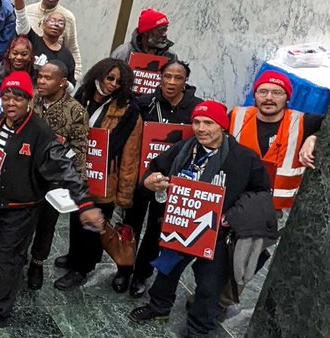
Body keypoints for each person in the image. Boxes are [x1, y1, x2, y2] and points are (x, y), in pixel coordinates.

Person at [129, 101, 271, 338]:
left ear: (222, 126)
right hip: (181, 226)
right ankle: (158, 307)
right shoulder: (184, 148)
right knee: (167, 270)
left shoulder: (244, 158)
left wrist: (233, 215)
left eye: (208, 123)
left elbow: (261, 192)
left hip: (216, 233)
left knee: (209, 285)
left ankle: (197, 332)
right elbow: (155, 167)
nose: (201, 128)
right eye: (196, 122)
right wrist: (150, 180)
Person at [0, 72, 105, 331]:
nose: (11, 103)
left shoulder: (39, 131)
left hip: (20, 210)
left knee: (8, 258)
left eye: (18, 97)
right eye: (6, 97)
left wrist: (84, 203)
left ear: (29, 100)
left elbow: (64, 166)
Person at [56, 58, 142, 292]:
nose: (113, 84)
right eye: (110, 78)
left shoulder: (129, 110)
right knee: (76, 217)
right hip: (79, 170)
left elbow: (130, 155)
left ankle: (83, 268)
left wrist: (124, 195)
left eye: (119, 81)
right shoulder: (83, 95)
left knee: (93, 225)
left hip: (106, 179)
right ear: (99, 74)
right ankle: (74, 256)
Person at [121, 59, 202, 297]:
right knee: (130, 224)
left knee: (156, 229)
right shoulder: (145, 103)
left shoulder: (196, 107)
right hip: (141, 174)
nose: (171, 82)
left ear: (185, 81)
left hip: (171, 180)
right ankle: (124, 268)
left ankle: (142, 274)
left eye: (178, 78)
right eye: (167, 76)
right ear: (160, 77)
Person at [25, 61, 88, 291]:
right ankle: (19, 257)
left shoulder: (76, 111)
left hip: (54, 179)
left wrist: (63, 152)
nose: (41, 81)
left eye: (47, 78)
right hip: (26, 172)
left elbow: (80, 149)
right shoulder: (31, 100)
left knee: (46, 224)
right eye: (39, 76)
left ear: (62, 82)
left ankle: (37, 263)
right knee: (23, 219)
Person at [229, 70, 323, 212]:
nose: (269, 98)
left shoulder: (303, 122)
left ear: (287, 98)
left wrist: (314, 137)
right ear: (254, 95)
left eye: (277, 93)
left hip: (280, 211)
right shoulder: (236, 116)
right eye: (263, 91)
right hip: (236, 205)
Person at [20, 0, 82, 77]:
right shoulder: (28, 10)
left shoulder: (67, 17)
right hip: (26, 65)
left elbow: (72, 48)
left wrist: (74, 77)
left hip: (50, 70)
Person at [13, 0, 76, 84]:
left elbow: (71, 83)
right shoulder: (32, 41)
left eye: (60, 23)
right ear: (43, 25)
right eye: (52, 21)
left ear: (64, 29)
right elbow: (21, 18)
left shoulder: (67, 56)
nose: (56, 24)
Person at [111, 8, 177, 63]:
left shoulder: (170, 56)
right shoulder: (122, 54)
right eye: (160, 30)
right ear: (146, 32)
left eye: (165, 30)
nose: (164, 35)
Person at [0, 36, 36, 102]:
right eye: (15, 53)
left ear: (30, 56)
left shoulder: (36, 77)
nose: (19, 57)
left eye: (24, 54)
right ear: (9, 54)